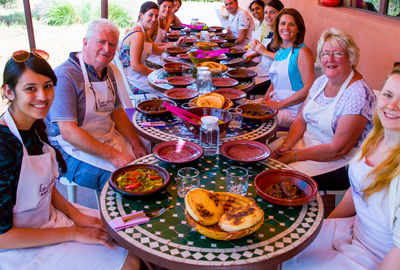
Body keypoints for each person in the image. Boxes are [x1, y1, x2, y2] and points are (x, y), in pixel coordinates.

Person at [0, 50, 139, 270]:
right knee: (129, 262)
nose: (43, 97)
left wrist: (76, 215)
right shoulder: (4, 147)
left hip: (50, 220)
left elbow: (42, 187)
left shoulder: (32, 127)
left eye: (47, 86)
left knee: (131, 234)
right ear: (9, 91)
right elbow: (2, 237)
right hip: (22, 247)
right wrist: (74, 233)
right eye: (30, 89)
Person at [283, 67, 400, 270]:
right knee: (284, 248)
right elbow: (357, 190)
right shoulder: (376, 138)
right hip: (351, 231)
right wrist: (327, 227)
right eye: (388, 95)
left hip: (374, 257)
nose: (393, 105)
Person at [46, 19, 147, 192]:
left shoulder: (108, 71)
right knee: (124, 181)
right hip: (69, 150)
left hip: (104, 136)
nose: (107, 49)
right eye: (101, 42)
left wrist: (136, 144)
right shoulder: (66, 76)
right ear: (85, 42)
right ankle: (118, 218)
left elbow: (117, 113)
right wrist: (115, 156)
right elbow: (68, 132)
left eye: (112, 44)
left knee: (146, 163)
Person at [270, 28, 376, 190]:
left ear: (351, 57)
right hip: (305, 144)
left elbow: (338, 149)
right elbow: (301, 119)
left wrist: (294, 156)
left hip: (334, 161)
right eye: (325, 53)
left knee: (276, 179)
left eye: (338, 54)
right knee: (262, 158)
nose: (330, 59)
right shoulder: (321, 82)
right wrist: (287, 145)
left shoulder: (357, 94)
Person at [252, 8, 314, 127]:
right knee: (242, 110)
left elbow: (309, 88)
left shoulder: (302, 51)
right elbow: (275, 82)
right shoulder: (281, 52)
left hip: (293, 110)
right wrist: (265, 100)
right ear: (277, 27)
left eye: (292, 24)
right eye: (283, 23)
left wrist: (279, 105)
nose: (286, 28)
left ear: (298, 30)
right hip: (276, 102)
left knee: (254, 121)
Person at [120, 1, 184, 98]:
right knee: (174, 89)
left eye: (156, 16)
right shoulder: (138, 34)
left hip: (139, 75)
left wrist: (175, 44)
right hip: (134, 81)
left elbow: (157, 51)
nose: (154, 19)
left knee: (175, 78)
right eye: (150, 15)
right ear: (141, 15)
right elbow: (135, 67)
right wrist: (157, 76)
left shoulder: (143, 31)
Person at [246, 0, 284, 94]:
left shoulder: (283, 34)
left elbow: (284, 58)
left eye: (272, 12)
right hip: (262, 70)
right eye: (266, 12)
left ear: (281, 14)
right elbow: (266, 48)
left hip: (270, 78)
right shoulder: (271, 31)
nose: (268, 16)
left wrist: (263, 51)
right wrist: (259, 47)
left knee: (241, 86)